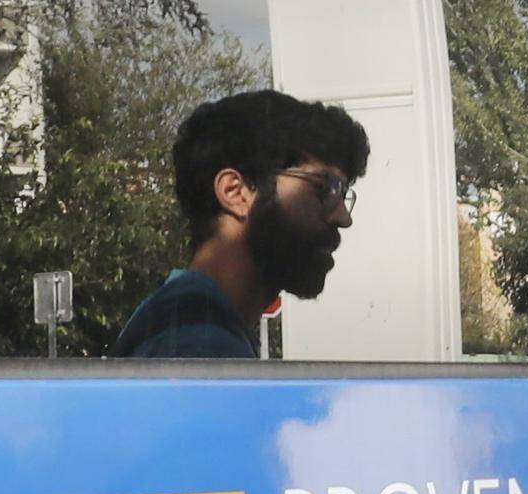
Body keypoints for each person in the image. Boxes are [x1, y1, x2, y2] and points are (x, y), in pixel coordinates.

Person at [115, 88, 367, 358]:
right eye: (326, 187)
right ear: (235, 192)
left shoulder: (186, 321)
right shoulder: (199, 343)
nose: (343, 217)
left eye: (343, 194)